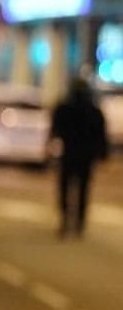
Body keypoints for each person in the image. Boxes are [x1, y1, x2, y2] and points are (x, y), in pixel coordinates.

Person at [49, 77, 109, 238]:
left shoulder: (64, 108)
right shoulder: (93, 110)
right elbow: (101, 135)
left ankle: (66, 220)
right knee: (82, 189)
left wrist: (49, 148)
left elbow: (54, 130)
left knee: (66, 188)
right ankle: (79, 222)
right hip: (85, 156)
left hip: (70, 154)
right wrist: (102, 153)